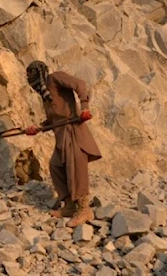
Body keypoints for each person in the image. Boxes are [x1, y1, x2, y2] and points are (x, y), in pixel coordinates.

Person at [24, 60, 102, 227]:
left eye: (31, 73)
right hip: (61, 135)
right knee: (56, 166)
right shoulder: (45, 96)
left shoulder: (55, 78)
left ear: (39, 72)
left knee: (76, 168)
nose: (29, 77)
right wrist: (38, 128)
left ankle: (84, 209)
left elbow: (79, 84)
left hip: (73, 131)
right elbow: (54, 119)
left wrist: (85, 107)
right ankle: (69, 205)